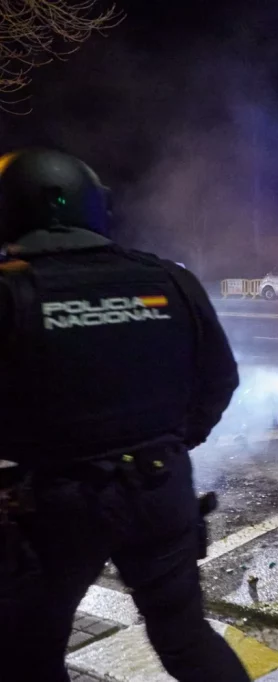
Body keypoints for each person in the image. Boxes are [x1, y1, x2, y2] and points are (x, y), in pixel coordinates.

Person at [0, 148, 248, 682]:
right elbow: (220, 380)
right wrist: (173, 441)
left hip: (55, 508)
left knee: (27, 653)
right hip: (162, 490)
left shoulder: (10, 290)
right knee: (185, 638)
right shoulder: (169, 280)